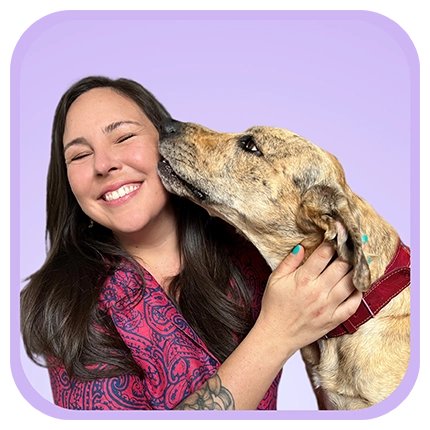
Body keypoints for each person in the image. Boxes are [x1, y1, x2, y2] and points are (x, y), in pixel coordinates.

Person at [20, 76, 362, 410]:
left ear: (164, 140)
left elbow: (343, 303)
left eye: (123, 137)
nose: (104, 164)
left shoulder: (248, 248)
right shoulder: (65, 305)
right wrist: (276, 334)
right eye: (79, 156)